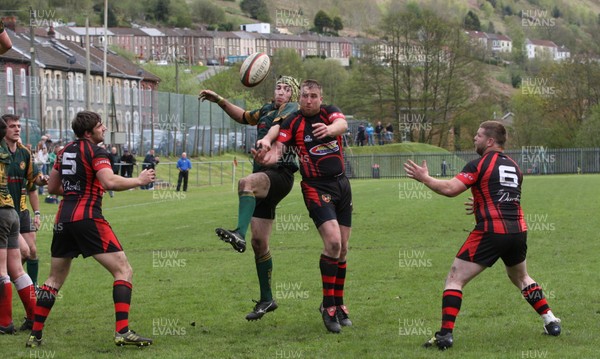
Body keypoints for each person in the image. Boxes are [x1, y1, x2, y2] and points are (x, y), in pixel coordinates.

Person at [403, 120, 561, 350]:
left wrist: (424, 178)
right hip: (517, 231)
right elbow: (502, 195)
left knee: (455, 279)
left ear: (489, 141)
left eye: (477, 135)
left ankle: (445, 335)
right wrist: (479, 204)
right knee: (521, 277)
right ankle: (550, 320)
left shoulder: (478, 164)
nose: (474, 139)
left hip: (491, 230)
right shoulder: (515, 166)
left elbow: (450, 189)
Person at [25, 111, 156, 348]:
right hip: (88, 219)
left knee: (54, 279)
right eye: (100, 125)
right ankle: (122, 331)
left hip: (63, 219)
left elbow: (53, 187)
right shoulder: (97, 152)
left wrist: (80, 187)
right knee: (124, 270)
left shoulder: (63, 151)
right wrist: (140, 180)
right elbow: (109, 182)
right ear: (88, 132)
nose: (104, 128)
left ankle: (35, 334)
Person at [253, 79, 353, 334]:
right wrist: (266, 155)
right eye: (305, 96)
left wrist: (330, 131)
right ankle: (328, 307)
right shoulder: (293, 121)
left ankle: (339, 304)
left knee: (342, 250)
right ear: (300, 98)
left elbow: (342, 124)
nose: (309, 100)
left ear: (321, 97)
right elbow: (279, 150)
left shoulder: (329, 113)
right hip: (315, 187)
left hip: (342, 186)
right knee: (332, 243)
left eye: (314, 96)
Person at [199, 75, 300, 321]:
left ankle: (238, 233)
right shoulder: (267, 109)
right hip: (264, 174)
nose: (281, 91)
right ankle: (267, 300)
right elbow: (243, 116)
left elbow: (279, 138)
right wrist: (220, 100)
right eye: (278, 87)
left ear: (293, 95)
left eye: (287, 89)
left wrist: (267, 147)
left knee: (245, 183)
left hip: (280, 173)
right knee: (259, 243)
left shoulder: (293, 110)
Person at [3, 114, 47, 332]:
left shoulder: (24, 153)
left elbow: (33, 182)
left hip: (16, 212)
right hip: (8, 212)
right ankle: (30, 313)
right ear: (4, 129)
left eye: (19, 126)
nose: (18, 129)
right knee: (18, 260)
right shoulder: (4, 152)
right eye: (13, 126)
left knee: (27, 253)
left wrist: (37, 210)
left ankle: (7, 321)